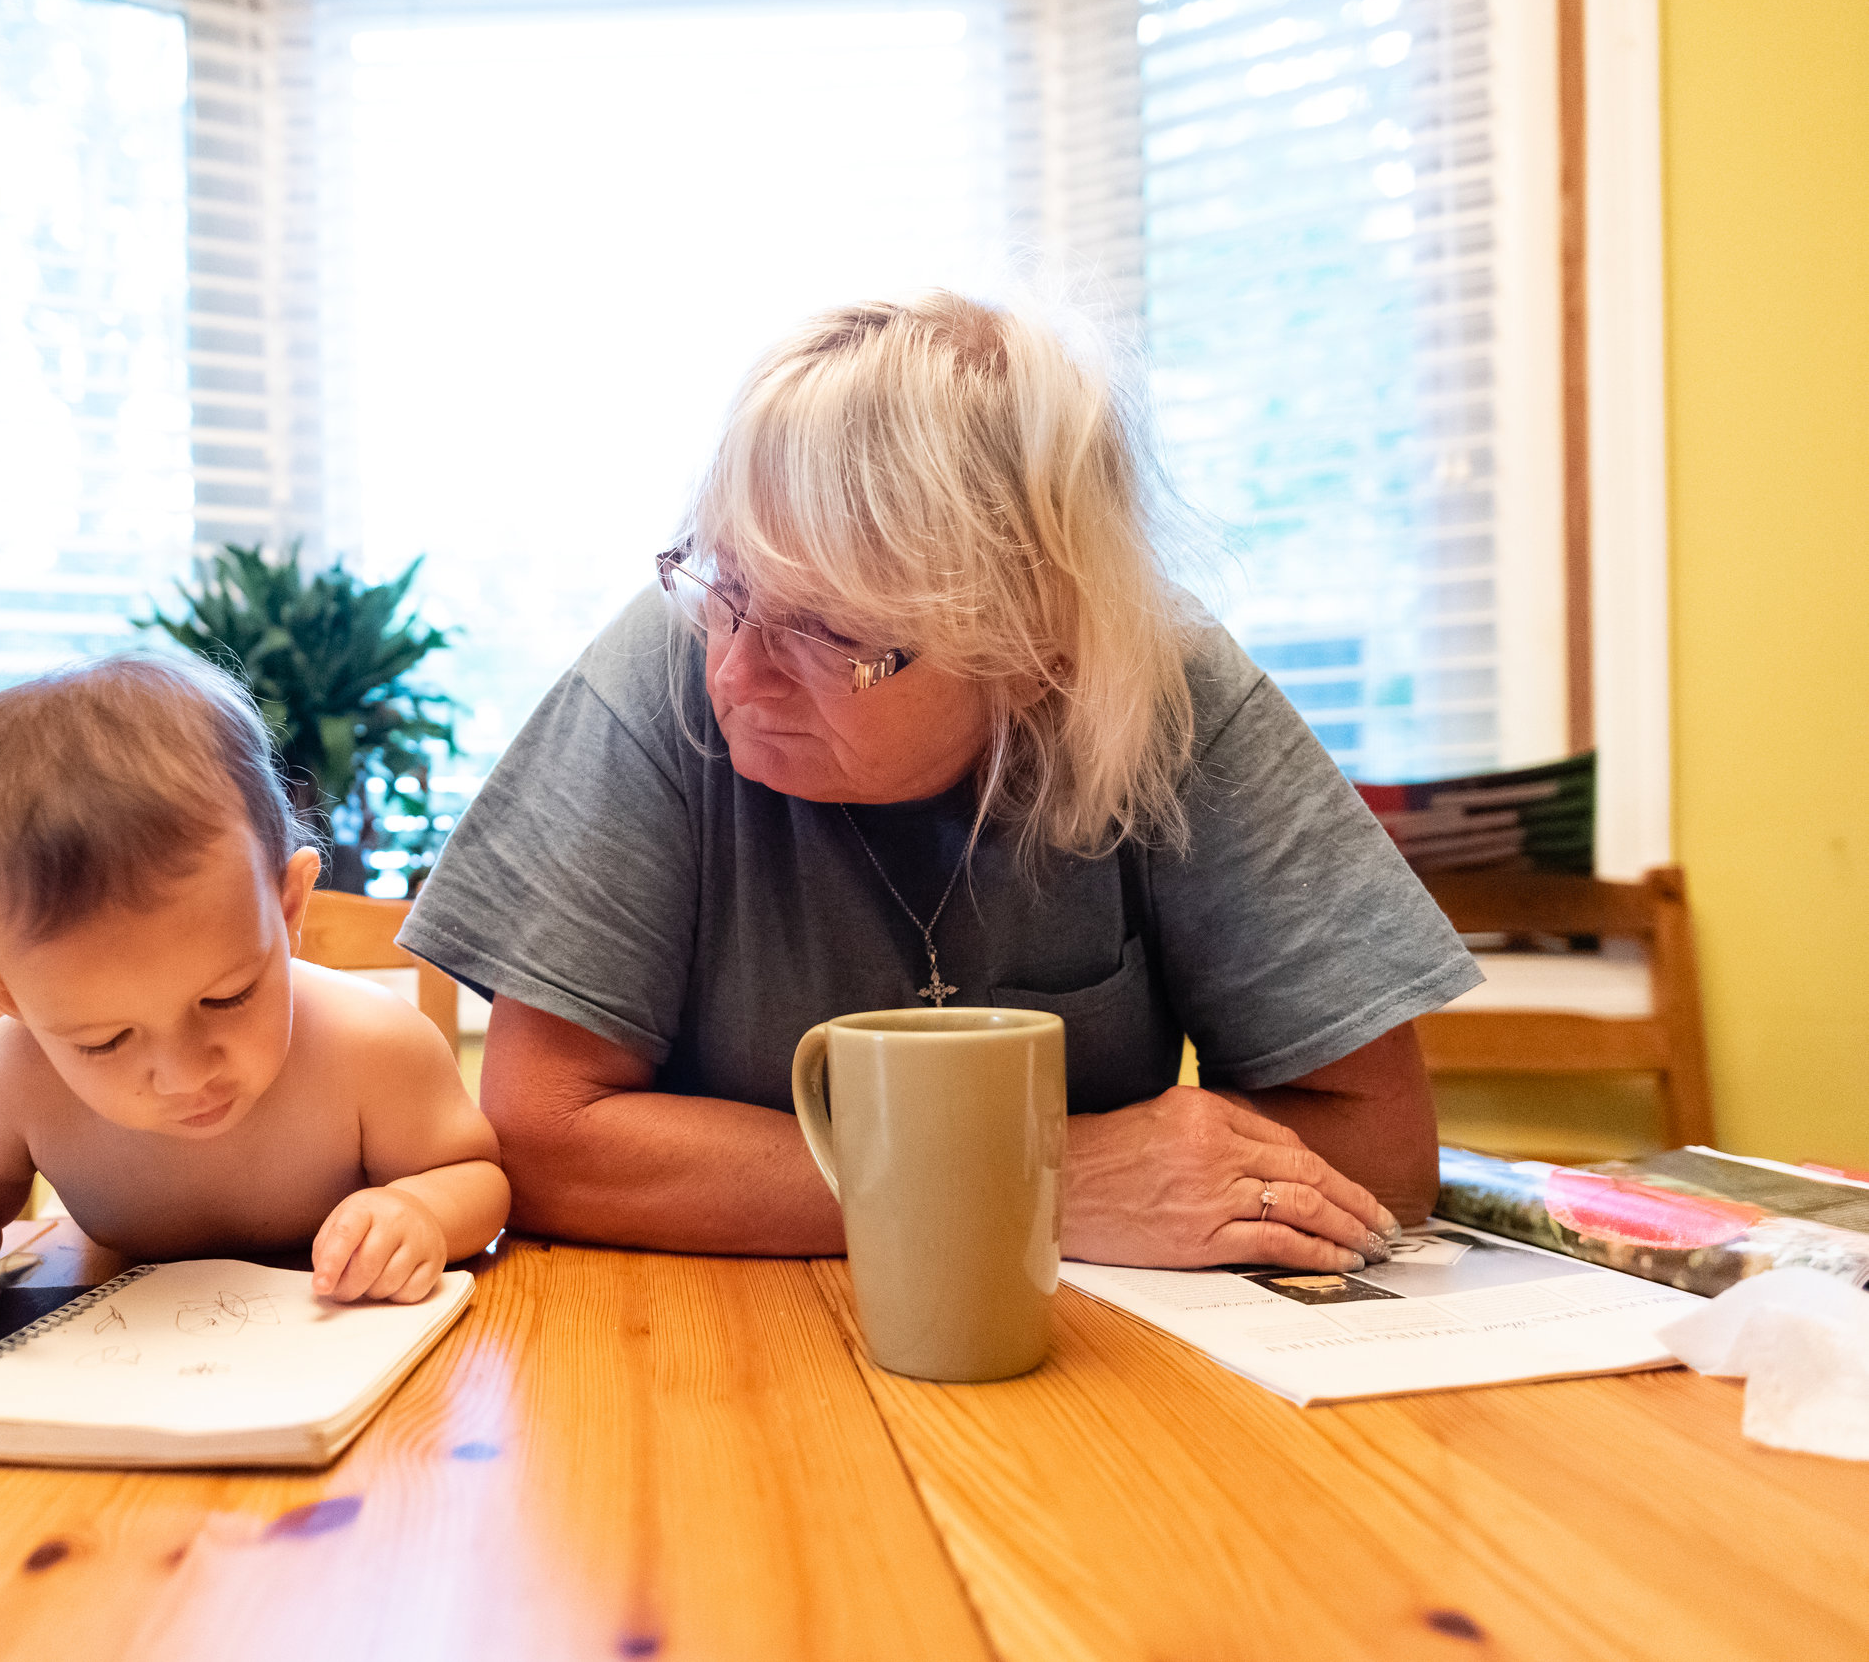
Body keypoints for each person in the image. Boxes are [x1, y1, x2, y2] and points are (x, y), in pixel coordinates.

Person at [401, 290, 1482, 1273]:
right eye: (722, 581)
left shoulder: (1168, 695)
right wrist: (1028, 1184)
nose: (734, 672)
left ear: (1037, 640)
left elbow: (1375, 1151)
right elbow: (545, 1138)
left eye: (824, 633)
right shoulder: (662, 670)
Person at [0, 655, 509, 1340]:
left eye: (227, 997)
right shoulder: (11, 1076)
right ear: (8, 998)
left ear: (287, 906)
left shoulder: (372, 1045)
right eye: (104, 1040)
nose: (187, 1073)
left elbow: (473, 1173)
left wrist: (421, 1211)